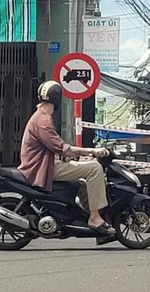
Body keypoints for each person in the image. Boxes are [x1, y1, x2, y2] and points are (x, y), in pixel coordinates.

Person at [18, 81, 113, 234]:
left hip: (45, 164)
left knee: (83, 181)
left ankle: (85, 216)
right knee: (95, 168)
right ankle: (94, 218)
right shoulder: (43, 121)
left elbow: (53, 148)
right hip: (44, 169)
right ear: (57, 99)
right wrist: (91, 151)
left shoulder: (40, 117)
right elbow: (62, 148)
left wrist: (73, 157)